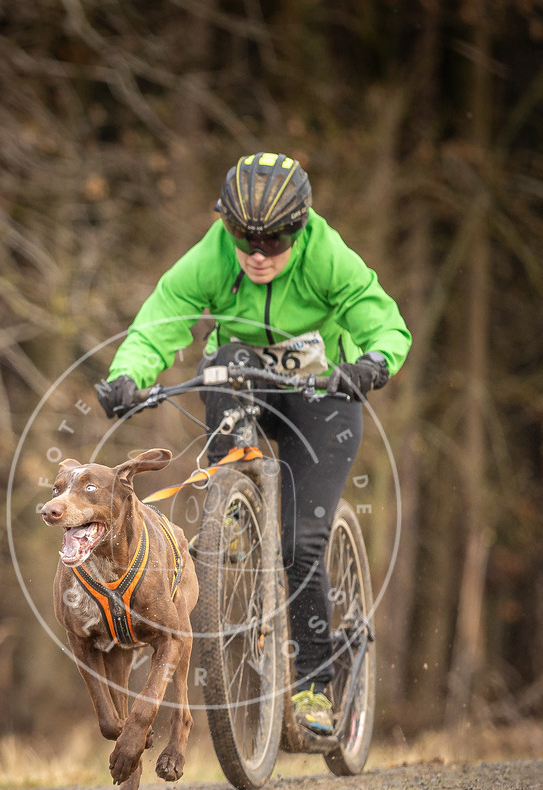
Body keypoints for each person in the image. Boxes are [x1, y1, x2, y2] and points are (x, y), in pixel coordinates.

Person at [96, 152, 411, 735]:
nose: (258, 253)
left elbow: (382, 319)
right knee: (224, 361)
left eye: (275, 240)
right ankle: (233, 506)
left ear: (301, 228)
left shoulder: (326, 255)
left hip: (323, 394)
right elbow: (160, 321)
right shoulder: (213, 256)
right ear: (226, 226)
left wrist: (372, 362)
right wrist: (128, 377)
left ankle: (315, 685)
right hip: (248, 384)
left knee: (299, 543)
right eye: (245, 238)